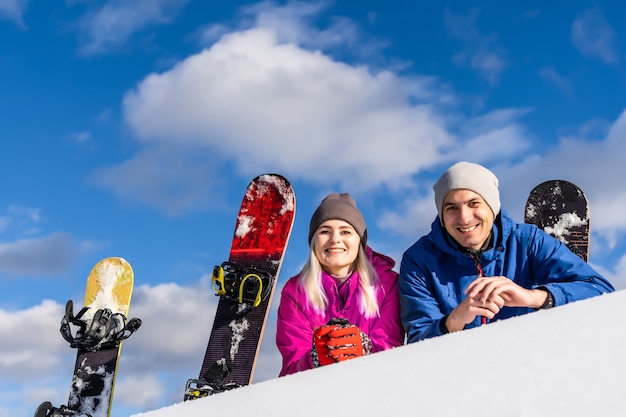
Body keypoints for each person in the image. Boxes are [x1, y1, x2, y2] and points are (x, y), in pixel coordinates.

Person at [399, 161, 614, 343]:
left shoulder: (527, 241)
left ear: (492, 208)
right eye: (452, 208)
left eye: (474, 204)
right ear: (442, 217)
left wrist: (532, 297)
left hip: (526, 359)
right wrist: (453, 321)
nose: (464, 218)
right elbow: (418, 338)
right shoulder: (419, 261)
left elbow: (599, 290)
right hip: (459, 371)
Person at [276, 193, 404, 376]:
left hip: (376, 386)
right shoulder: (295, 292)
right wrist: (315, 358)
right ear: (314, 241)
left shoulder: (387, 284)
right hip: (317, 393)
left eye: (346, 231)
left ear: (359, 240)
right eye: (325, 231)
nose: (335, 239)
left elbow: (393, 350)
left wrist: (365, 349)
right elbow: (291, 367)